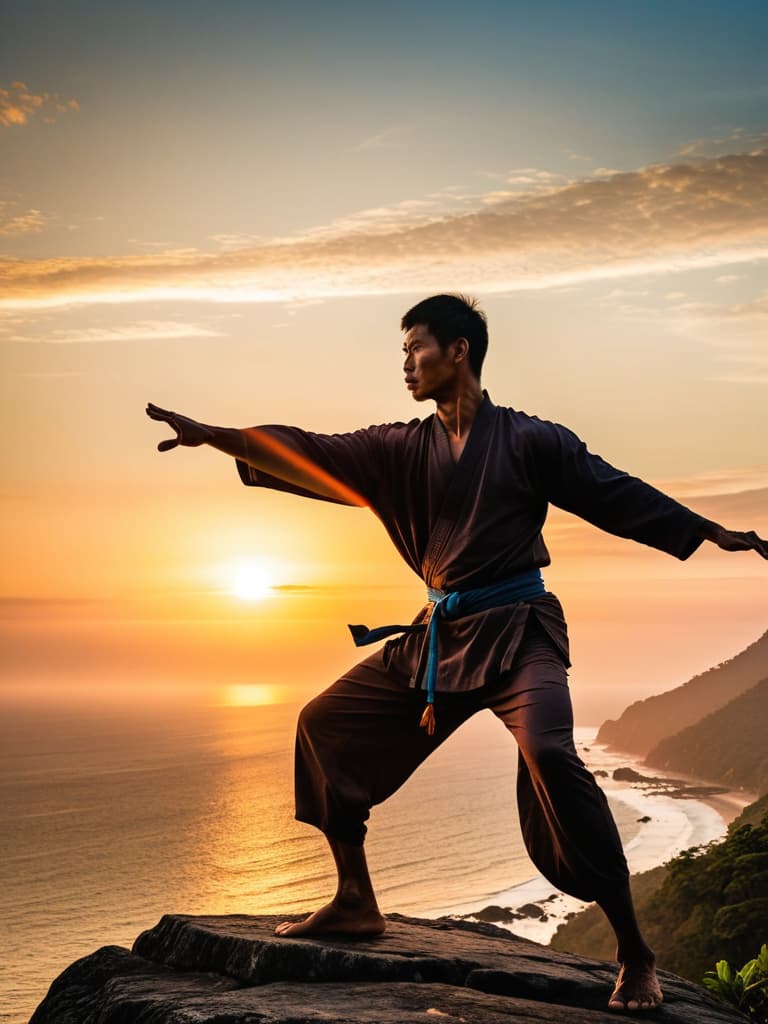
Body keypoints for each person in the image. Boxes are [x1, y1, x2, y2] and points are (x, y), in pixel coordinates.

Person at [146, 294, 767, 1014]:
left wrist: (706, 531)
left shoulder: (532, 440)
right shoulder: (396, 449)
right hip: (438, 639)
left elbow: (612, 491)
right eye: (403, 353)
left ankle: (634, 949)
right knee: (323, 723)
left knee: (554, 756)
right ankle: (355, 899)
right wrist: (214, 435)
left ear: (459, 351)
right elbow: (309, 446)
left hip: (519, 632)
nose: (405, 364)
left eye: (415, 348)